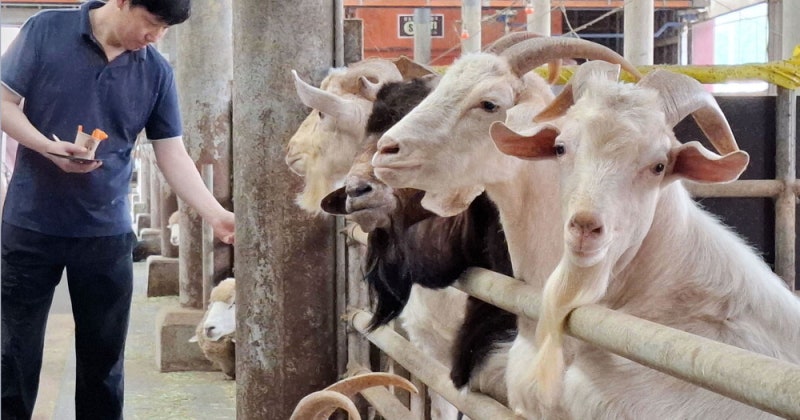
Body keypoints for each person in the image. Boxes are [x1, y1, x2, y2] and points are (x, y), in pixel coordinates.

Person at [0, 1, 235, 419]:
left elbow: (171, 152)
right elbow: (3, 101)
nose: (156, 37)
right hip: (30, 225)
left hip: (105, 233)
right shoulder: (45, 31)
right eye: (152, 22)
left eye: (165, 29)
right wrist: (46, 146)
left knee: (104, 365)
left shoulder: (155, 71)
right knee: (13, 357)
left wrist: (214, 213)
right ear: (124, 2)